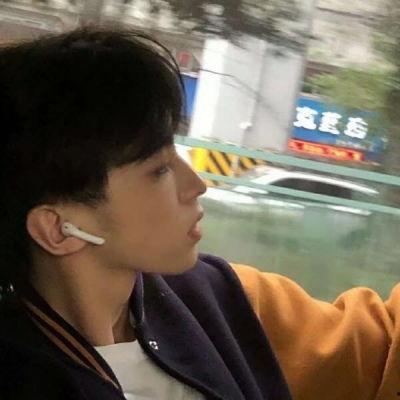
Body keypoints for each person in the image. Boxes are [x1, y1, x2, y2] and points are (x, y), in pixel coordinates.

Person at [0, 27, 398, 400]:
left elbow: (380, 349)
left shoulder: (224, 300)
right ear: (58, 229)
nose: (196, 185)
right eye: (158, 170)